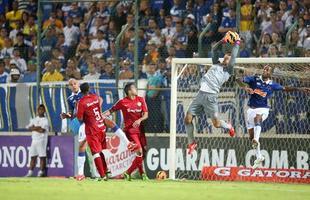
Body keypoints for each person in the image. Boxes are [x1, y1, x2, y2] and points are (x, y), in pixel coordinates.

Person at [236, 65, 310, 169]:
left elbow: (285, 89)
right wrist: (245, 87)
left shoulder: (272, 84)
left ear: (270, 73)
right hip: (250, 110)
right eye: (264, 69)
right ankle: (259, 156)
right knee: (251, 137)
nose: (265, 71)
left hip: (263, 109)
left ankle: (257, 139)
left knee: (258, 119)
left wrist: (300, 88)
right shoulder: (254, 79)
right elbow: (237, 79)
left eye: (267, 70)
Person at [185, 31, 240, 154]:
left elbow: (234, 57)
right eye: (226, 55)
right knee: (187, 119)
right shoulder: (216, 63)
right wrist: (222, 40)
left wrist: (237, 42)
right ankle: (191, 143)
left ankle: (228, 126)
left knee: (216, 124)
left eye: (229, 56)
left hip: (211, 97)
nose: (227, 56)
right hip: (200, 94)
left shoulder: (229, 70)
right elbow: (214, 50)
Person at [76, 82, 135, 181]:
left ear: (81, 91)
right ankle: (106, 171)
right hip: (101, 126)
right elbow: (100, 101)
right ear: (89, 89)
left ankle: (102, 176)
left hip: (92, 128)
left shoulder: (81, 102)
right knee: (99, 150)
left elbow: (80, 118)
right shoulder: (95, 97)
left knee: (95, 152)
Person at [104, 83, 149, 181]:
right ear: (129, 91)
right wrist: (101, 116)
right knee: (139, 150)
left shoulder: (141, 99)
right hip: (130, 131)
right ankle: (128, 173)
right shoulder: (123, 102)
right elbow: (111, 110)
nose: (136, 89)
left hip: (141, 130)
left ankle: (142, 174)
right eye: (134, 88)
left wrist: (140, 120)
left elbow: (146, 114)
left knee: (142, 152)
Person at [25, 104, 49, 177]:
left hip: (42, 140)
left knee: (42, 157)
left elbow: (42, 130)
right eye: (39, 109)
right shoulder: (34, 119)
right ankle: (30, 172)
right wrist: (37, 128)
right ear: (37, 111)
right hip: (34, 140)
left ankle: (41, 172)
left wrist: (34, 128)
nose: (40, 111)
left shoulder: (45, 120)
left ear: (44, 111)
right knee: (33, 156)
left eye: (42, 109)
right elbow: (28, 127)